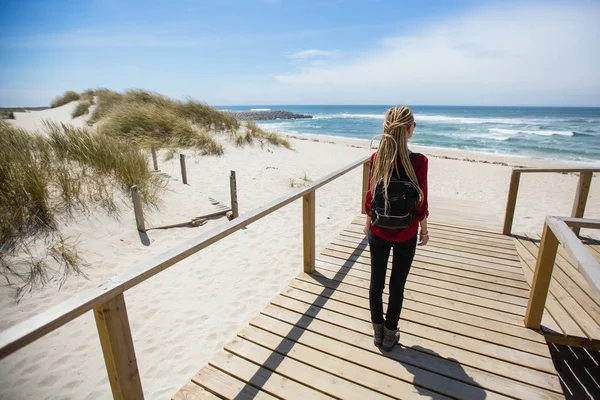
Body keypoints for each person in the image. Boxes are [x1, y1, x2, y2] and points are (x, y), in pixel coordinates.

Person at [363, 105, 429, 351]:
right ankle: (390, 334)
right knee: (396, 286)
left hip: (379, 230)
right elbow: (421, 200)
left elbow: (371, 196)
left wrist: (368, 220)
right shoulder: (419, 161)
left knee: (376, 283)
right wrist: (424, 228)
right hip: (406, 232)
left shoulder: (376, 158)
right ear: (410, 130)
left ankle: (377, 332)